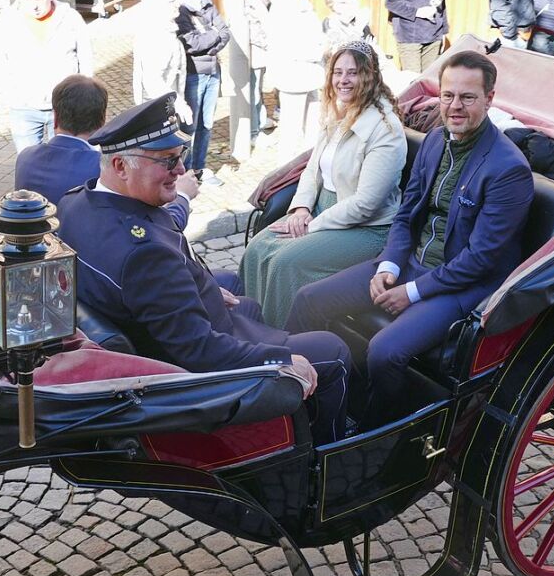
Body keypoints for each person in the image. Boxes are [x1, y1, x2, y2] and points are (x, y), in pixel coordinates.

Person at [57, 95, 352, 445]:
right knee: (333, 350)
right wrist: (281, 360)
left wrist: (203, 285)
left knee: (247, 302)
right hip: (195, 362)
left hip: (172, 325)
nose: (181, 171)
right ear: (120, 166)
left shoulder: (75, 202)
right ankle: (325, 453)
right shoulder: (144, 253)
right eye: (168, 161)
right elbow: (199, 351)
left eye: (179, 157)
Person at [285, 51, 534, 430]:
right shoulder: (435, 141)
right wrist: (389, 266)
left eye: (467, 97)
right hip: (411, 263)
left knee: (385, 350)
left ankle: (375, 435)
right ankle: (308, 402)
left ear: (490, 98)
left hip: (462, 284)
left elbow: (481, 259)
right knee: (308, 301)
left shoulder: (509, 169)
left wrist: (412, 291)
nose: (455, 106)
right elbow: (406, 215)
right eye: (448, 95)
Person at [240, 41, 406, 329]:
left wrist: (312, 225)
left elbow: (365, 204)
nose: (343, 80)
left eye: (352, 73)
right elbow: (312, 170)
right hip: (320, 210)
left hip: (367, 228)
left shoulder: (385, 130)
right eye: (337, 72)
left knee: (285, 263)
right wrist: (301, 210)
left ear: (369, 76)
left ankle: (283, 347)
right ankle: (247, 329)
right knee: (257, 249)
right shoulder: (339, 114)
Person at [15, 75, 196, 229]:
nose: (178, 167)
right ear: (103, 121)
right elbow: (156, 228)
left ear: (55, 118)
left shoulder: (25, 157)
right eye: (169, 159)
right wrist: (182, 196)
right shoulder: (107, 170)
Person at [0, 0, 93, 154]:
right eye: (29, 0)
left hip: (65, 107)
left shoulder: (70, 18)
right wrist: (9, 96)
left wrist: (83, 93)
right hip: (24, 108)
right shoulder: (6, 22)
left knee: (66, 159)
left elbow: (85, 57)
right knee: (28, 161)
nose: (35, 6)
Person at [266, 0, 325, 160]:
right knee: (290, 134)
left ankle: (308, 174)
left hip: (312, 75)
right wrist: (320, 50)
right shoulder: (282, 5)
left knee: (314, 131)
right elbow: (286, 46)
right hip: (293, 76)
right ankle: (283, 179)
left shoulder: (304, 2)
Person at [175, 0, 229, 183]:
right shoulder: (181, 10)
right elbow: (191, 44)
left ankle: (199, 167)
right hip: (193, 74)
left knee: (207, 124)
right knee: (189, 126)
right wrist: (213, 36)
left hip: (212, 71)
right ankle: (185, 172)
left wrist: (210, 43)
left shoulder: (207, 3)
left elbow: (225, 32)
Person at [133, 0, 191, 126]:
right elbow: (152, 81)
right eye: (172, 0)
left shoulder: (166, 30)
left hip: (165, 109)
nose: (177, 4)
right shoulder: (156, 36)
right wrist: (179, 104)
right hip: (156, 113)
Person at [244, 0, 272, 145]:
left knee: (258, 87)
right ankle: (253, 131)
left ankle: (260, 121)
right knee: (252, 89)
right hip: (251, 47)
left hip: (262, 46)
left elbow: (267, 9)